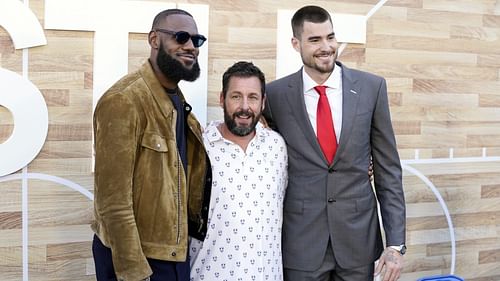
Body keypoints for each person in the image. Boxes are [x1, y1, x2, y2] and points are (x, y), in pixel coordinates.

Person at [263, 5, 406, 281]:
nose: (326, 47)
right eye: (314, 40)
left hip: (359, 244)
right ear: (296, 44)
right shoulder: (275, 95)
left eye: (330, 37)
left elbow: (388, 170)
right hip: (301, 245)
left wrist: (395, 244)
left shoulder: (371, 88)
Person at [91, 9, 211, 281]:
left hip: (171, 255)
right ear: (154, 39)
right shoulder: (124, 100)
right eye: (181, 37)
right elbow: (113, 202)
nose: (190, 47)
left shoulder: (178, 104)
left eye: (196, 40)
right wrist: (134, 272)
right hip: (137, 260)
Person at [190, 61, 288, 281]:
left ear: (263, 102)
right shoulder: (199, 147)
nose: (245, 107)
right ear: (222, 99)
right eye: (236, 96)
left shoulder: (277, 147)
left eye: (252, 97)